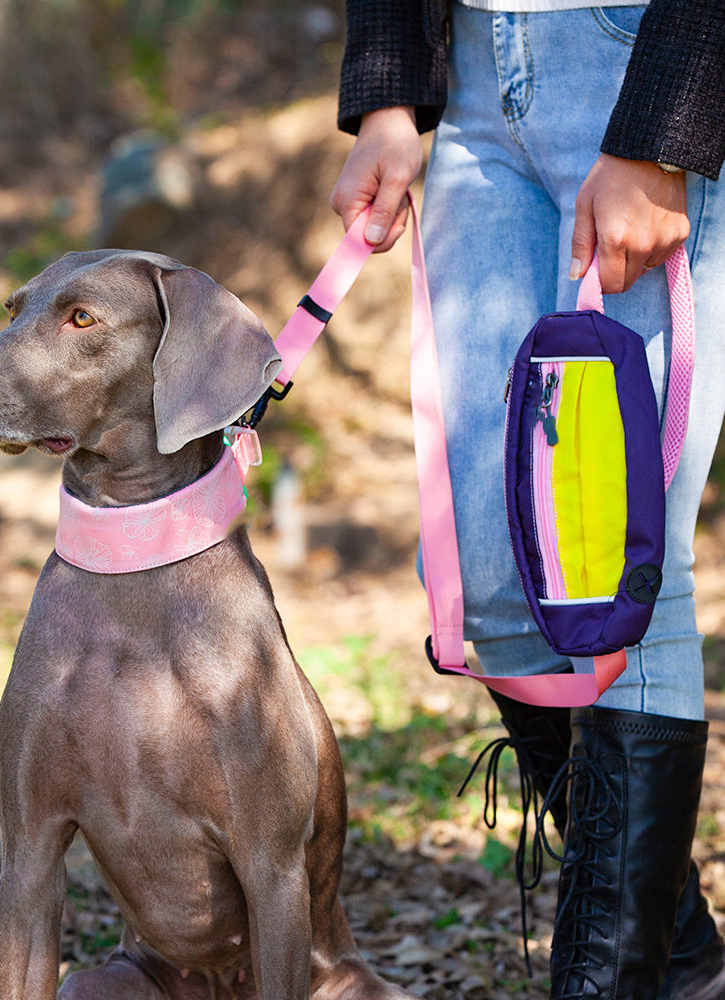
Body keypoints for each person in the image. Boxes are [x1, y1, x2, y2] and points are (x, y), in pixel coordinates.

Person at [329, 2, 725, 999]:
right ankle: (679, 958)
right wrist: (387, 96)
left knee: (613, 565)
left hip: (634, 53)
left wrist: (663, 128)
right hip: (470, 78)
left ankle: (613, 980)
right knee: (488, 579)